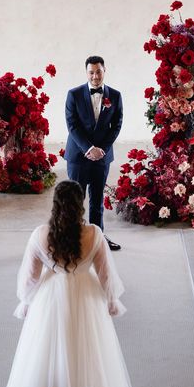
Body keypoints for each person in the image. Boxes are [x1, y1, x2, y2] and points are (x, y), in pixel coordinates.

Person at [0, 180, 143, 387]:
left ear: (55, 205)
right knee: (91, 359)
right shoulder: (94, 234)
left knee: (44, 358)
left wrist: (25, 301)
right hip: (87, 300)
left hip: (50, 300)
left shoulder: (40, 235)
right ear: (81, 204)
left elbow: (30, 277)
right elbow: (106, 275)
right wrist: (111, 299)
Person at [64, 55, 123, 251]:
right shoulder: (74, 94)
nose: (95, 76)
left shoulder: (115, 95)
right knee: (75, 201)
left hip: (102, 158)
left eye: (98, 71)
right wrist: (89, 149)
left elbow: (116, 126)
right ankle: (73, 240)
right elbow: (72, 126)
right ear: (86, 73)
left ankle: (98, 241)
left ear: (105, 70)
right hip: (79, 157)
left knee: (97, 202)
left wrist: (102, 150)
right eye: (91, 72)